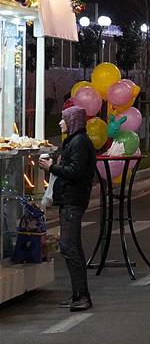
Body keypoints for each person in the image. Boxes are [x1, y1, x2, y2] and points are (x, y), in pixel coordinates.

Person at [38, 105, 96, 311]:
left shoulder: (79, 142)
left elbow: (75, 171)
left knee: (69, 246)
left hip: (73, 200)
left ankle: (82, 296)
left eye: (64, 119)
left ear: (73, 121)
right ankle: (78, 293)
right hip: (69, 199)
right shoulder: (74, 141)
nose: (60, 122)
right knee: (74, 248)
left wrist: (51, 167)